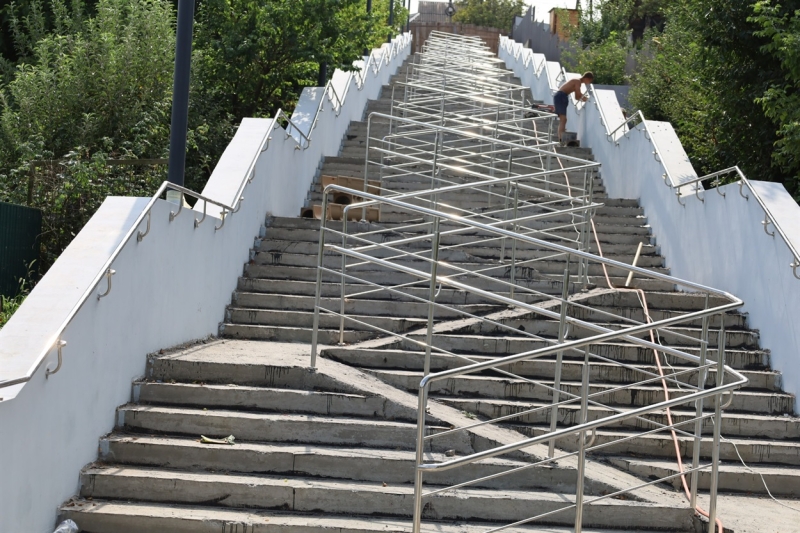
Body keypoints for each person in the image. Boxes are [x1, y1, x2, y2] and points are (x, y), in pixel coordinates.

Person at [553, 72, 594, 145]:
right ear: (587, 78)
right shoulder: (577, 81)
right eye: (589, 81)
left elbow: (577, 97)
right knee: (563, 119)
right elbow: (579, 94)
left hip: (563, 96)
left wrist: (585, 99)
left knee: (564, 120)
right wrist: (588, 100)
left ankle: (561, 138)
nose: (588, 83)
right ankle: (561, 139)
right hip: (561, 96)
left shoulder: (577, 82)